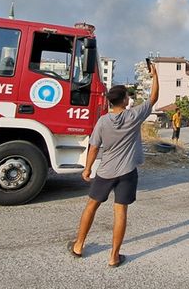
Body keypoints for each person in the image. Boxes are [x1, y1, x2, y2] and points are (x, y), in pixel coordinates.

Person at [68, 61, 159, 267]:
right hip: (127, 172)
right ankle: (114, 256)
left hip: (106, 171)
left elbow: (93, 148)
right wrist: (155, 75)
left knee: (91, 205)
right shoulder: (133, 116)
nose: (129, 98)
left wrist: (88, 169)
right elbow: (153, 98)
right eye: (128, 96)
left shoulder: (102, 121)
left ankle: (79, 245)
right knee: (120, 212)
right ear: (125, 101)